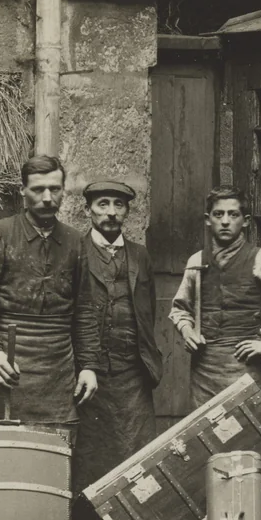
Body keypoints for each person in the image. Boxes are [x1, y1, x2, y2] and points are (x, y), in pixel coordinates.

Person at [0, 155, 100, 428]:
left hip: (58, 366)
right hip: (9, 360)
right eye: (38, 189)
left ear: (64, 190)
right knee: (3, 450)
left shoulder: (75, 242)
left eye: (55, 189)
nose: (48, 198)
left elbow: (85, 309)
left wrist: (88, 366)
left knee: (53, 453)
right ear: (22, 191)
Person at [75, 181, 162, 497]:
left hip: (132, 373)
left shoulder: (140, 256)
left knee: (137, 451)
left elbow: (147, 310)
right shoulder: (77, 252)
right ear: (88, 210)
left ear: (127, 211)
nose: (111, 212)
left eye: (118, 205)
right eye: (102, 204)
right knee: (90, 456)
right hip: (90, 375)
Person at [170, 186, 261, 407]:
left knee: (249, 434)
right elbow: (179, 309)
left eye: (233, 214)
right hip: (204, 370)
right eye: (219, 214)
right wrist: (187, 331)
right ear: (208, 220)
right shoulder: (196, 261)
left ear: (245, 221)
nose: (225, 221)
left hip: (244, 366)